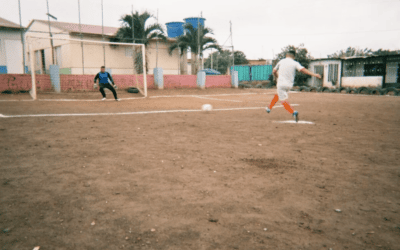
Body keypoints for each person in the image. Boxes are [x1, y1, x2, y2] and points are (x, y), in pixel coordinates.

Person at [266, 50, 321, 122]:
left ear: (286, 55)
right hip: (289, 85)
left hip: (281, 84)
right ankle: (269, 108)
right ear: (294, 56)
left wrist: (277, 77)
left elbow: (274, 71)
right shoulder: (295, 63)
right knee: (278, 94)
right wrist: (315, 74)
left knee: (283, 101)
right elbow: (303, 70)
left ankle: (293, 112)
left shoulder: (281, 61)